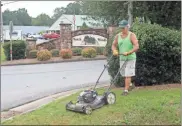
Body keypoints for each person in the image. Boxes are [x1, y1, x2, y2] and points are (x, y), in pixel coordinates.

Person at [112, 20, 139, 96]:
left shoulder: (132, 35)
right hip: (122, 58)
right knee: (123, 74)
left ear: (127, 27)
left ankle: (125, 91)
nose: (122, 29)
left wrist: (129, 52)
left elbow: (136, 46)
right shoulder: (118, 36)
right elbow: (113, 45)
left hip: (130, 58)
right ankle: (130, 85)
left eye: (123, 28)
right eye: (121, 28)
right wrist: (114, 50)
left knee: (128, 74)